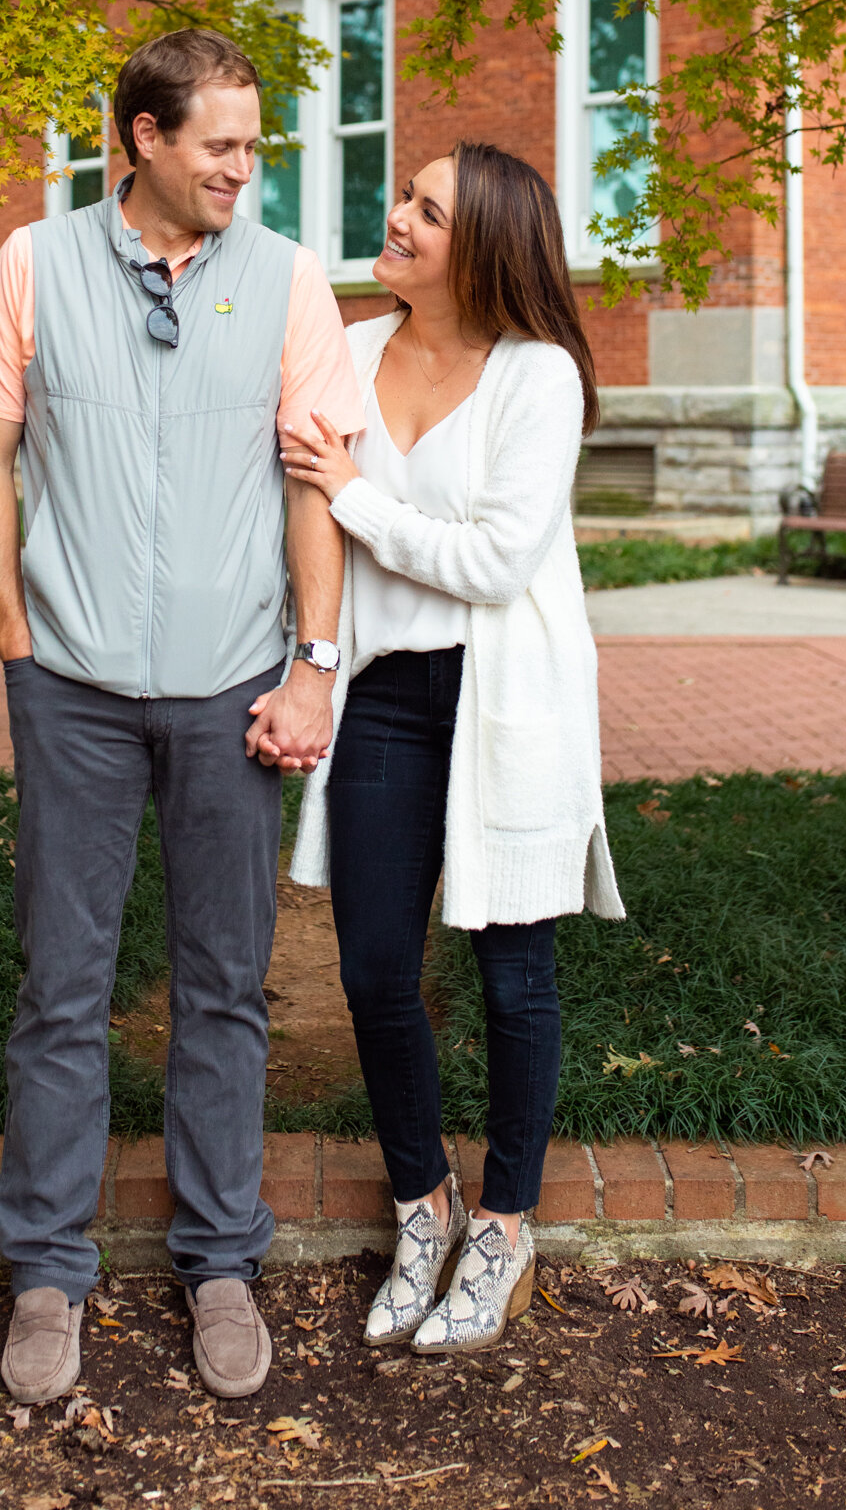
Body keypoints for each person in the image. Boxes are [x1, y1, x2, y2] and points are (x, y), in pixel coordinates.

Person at [0, 28, 364, 1407]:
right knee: (59, 988)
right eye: (220, 146)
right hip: (65, 689)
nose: (244, 170)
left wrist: (311, 666)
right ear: (141, 138)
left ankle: (220, 1260)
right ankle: (49, 1272)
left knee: (222, 987)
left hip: (232, 690)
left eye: (254, 145)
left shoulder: (289, 283)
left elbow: (315, 484)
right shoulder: (34, 264)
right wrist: (17, 642)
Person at [280, 142, 624, 1356]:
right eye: (404, 198)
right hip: (382, 697)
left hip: (505, 701)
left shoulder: (539, 380)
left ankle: (505, 1223)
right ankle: (421, 1205)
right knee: (374, 969)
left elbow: (493, 561)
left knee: (511, 976)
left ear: (482, 247)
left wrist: (360, 497)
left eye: (428, 209)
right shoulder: (353, 353)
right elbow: (301, 511)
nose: (399, 218)